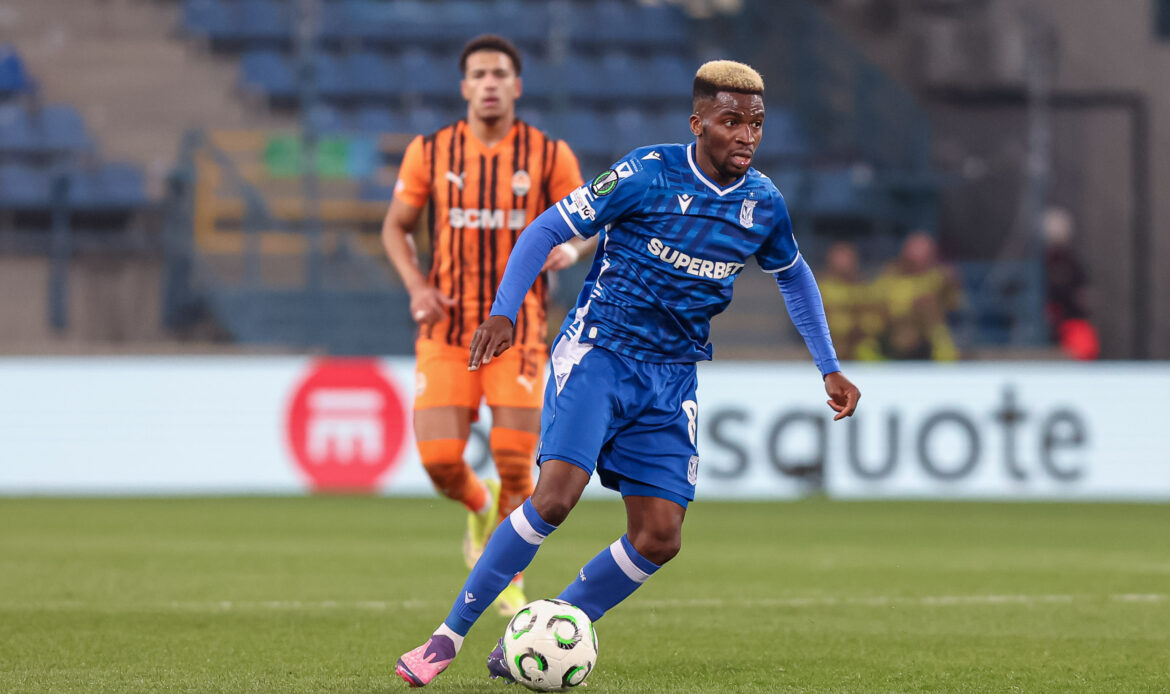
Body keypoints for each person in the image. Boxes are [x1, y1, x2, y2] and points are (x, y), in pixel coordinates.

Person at [394, 59, 860, 688]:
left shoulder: (763, 203)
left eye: (756, 124)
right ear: (698, 123)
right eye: (731, 121)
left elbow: (795, 276)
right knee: (555, 498)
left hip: (672, 378)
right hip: (600, 355)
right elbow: (545, 228)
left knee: (660, 536)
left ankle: (548, 629)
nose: (746, 136)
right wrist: (505, 312)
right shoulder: (645, 174)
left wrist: (828, 366)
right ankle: (445, 638)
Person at [381, 34, 593, 616]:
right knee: (440, 461)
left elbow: (592, 222)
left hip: (519, 331)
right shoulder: (430, 151)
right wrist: (417, 287)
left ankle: (508, 578)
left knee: (516, 463)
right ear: (464, 87)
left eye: (500, 73)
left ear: (517, 86)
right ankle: (480, 506)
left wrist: (572, 250)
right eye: (479, 74)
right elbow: (395, 226)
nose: (490, 83)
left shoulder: (549, 155)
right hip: (447, 332)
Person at [872, 231, 961, 361]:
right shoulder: (888, 277)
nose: (915, 260)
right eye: (911, 256)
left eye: (923, 255)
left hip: (928, 335)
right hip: (892, 333)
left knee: (943, 343)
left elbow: (954, 307)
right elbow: (877, 306)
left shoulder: (941, 278)